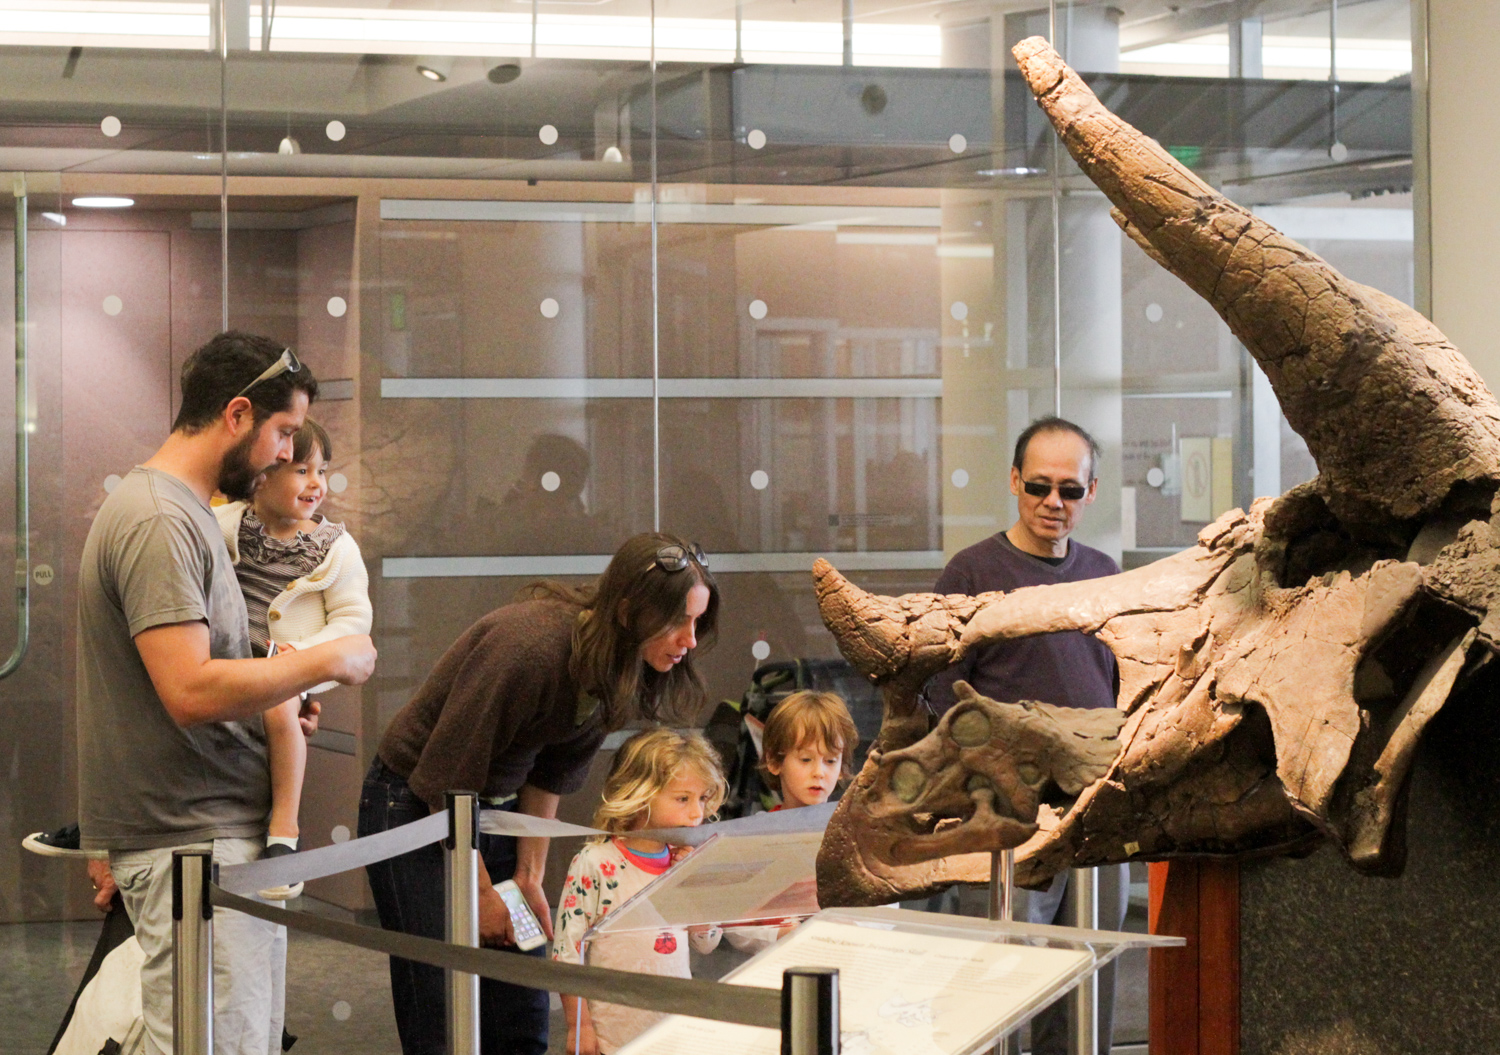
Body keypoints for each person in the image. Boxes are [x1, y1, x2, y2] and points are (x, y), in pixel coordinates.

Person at [76, 331, 378, 1055]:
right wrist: (324, 659)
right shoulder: (161, 518)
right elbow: (188, 688)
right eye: (281, 432)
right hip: (193, 843)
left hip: (211, 839)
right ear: (238, 414)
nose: (286, 453)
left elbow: (210, 670)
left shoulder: (180, 511)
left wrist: (276, 685)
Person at [358, 532, 718, 1055]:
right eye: (678, 621)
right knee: (442, 1008)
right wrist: (480, 893)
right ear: (629, 610)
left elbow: (551, 774)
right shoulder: (529, 648)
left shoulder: (617, 667)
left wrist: (528, 877)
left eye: (697, 622)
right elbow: (446, 777)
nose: (689, 639)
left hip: (494, 816)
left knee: (522, 1008)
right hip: (417, 806)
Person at [924, 414, 1128, 1055]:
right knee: (1004, 977)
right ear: (1014, 481)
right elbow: (937, 696)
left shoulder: (1104, 572)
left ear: (1090, 493)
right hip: (1006, 815)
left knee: (1089, 975)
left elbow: (1123, 683)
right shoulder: (971, 573)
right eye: (1039, 486)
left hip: (1094, 808)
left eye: (1070, 490)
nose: (1052, 503)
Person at [215, 417, 372, 899]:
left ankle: (283, 837)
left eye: (321, 471)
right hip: (226, 664)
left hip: (286, 667)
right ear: (261, 475)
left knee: (280, 704)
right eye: (301, 469)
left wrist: (298, 658)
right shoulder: (223, 524)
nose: (316, 483)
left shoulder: (335, 548)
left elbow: (352, 623)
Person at [552, 729, 727, 1055]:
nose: (697, 813)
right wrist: (580, 1024)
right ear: (639, 794)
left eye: (702, 798)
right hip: (614, 1035)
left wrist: (693, 880)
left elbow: (707, 942)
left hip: (676, 1030)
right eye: (683, 798)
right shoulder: (595, 862)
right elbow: (567, 948)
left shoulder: (682, 862)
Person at [724, 690, 860, 955]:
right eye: (806, 759)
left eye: (831, 761)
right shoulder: (755, 836)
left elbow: (885, 906)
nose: (819, 772)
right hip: (775, 969)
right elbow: (732, 918)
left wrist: (852, 927)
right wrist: (776, 934)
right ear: (775, 761)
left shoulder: (856, 835)